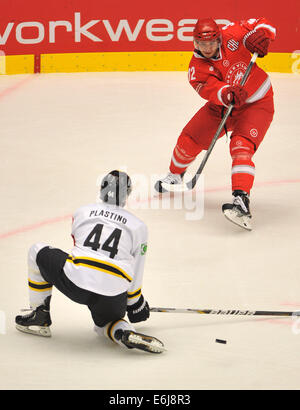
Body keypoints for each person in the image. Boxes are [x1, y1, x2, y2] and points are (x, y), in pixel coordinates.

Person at [15, 170, 165, 354]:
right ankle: (123, 332)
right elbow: (137, 268)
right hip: (112, 291)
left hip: (77, 281)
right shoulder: (139, 226)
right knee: (106, 324)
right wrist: (135, 304)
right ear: (127, 195)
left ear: (102, 189)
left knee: (36, 251)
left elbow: (80, 247)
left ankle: (39, 317)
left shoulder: (82, 212)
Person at [155, 17, 276, 230]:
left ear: (219, 38)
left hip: (257, 102)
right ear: (195, 43)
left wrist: (260, 35)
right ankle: (175, 174)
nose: (207, 47)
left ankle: (241, 201)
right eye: (202, 44)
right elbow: (210, 89)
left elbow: (262, 22)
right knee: (190, 139)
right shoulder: (196, 69)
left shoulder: (232, 34)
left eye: (211, 42)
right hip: (223, 106)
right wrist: (227, 93)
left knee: (241, 146)